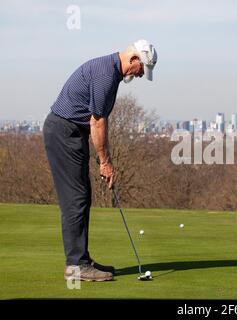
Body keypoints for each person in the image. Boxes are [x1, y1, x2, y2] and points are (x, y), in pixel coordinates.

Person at [43, 40, 157, 281]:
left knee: (82, 195)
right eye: (141, 70)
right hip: (64, 132)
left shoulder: (110, 71)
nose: (139, 76)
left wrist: (103, 158)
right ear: (134, 59)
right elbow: (97, 121)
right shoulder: (106, 74)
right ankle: (76, 266)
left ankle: (81, 259)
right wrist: (105, 162)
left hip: (71, 132)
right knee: (75, 198)